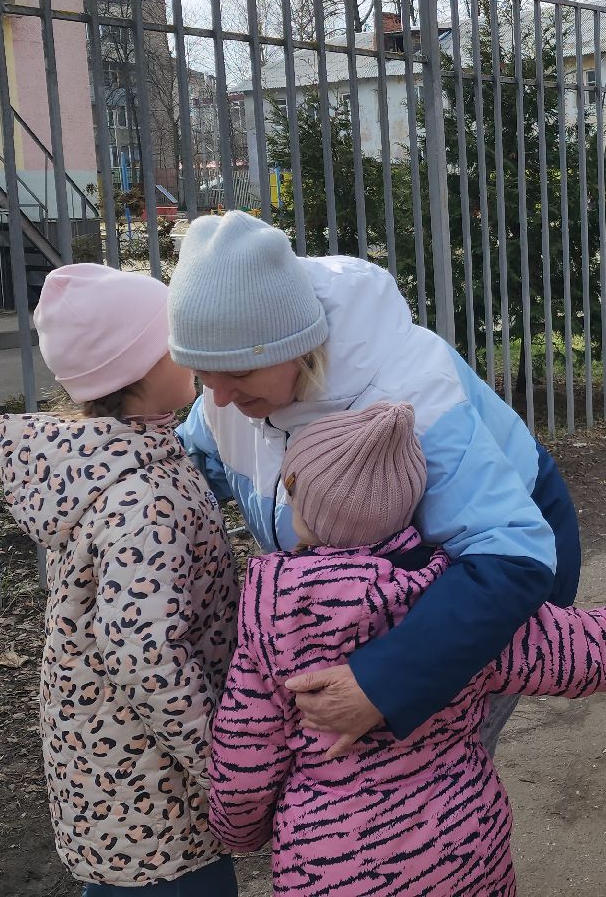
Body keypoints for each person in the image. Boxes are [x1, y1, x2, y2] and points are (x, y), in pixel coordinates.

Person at [167, 210, 583, 757]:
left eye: (238, 374)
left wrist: (383, 682)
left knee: (430, 773)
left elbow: (512, 557)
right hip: (382, 592)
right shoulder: (239, 380)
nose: (217, 398)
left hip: (497, 587)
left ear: (298, 347)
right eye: (202, 374)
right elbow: (199, 459)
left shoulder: (411, 392)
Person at [206, 402, 606, 894]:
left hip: (332, 862)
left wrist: (241, 832)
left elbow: (245, 748)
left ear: (306, 510)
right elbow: (581, 654)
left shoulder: (275, 613)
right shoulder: (455, 606)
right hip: (461, 847)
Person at [0, 264, 239, 897]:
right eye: (177, 338)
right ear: (141, 368)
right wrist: (226, 767)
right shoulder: (140, 500)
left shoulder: (126, 454)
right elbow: (144, 651)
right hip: (152, 792)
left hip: (118, 771)